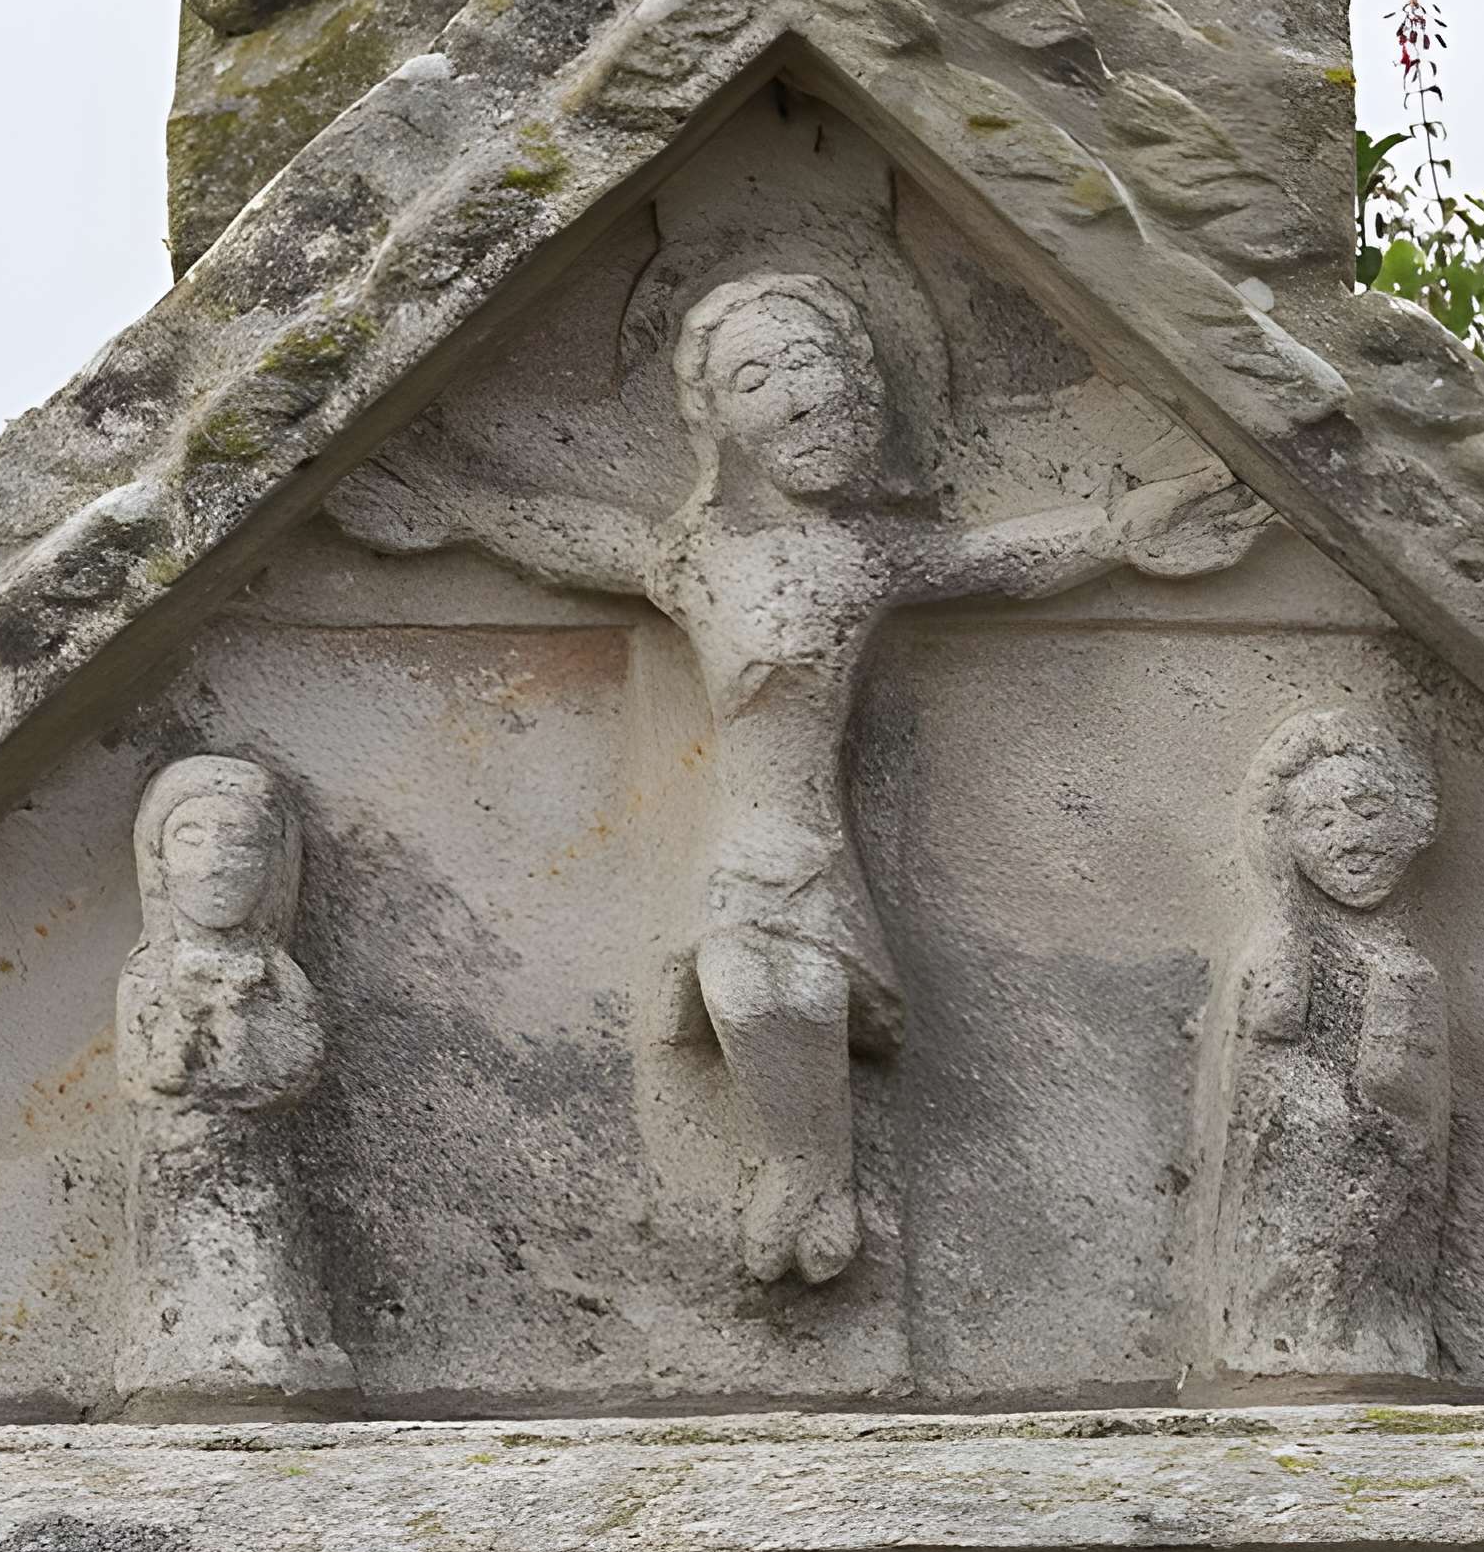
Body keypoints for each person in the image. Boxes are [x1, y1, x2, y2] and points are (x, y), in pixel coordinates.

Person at [332, 270, 1264, 1283]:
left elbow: (990, 557)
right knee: (740, 982)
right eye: (758, 373)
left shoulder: (859, 554)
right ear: (716, 419)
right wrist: (459, 508)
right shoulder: (694, 557)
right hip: (744, 838)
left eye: (816, 362)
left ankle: (814, 1176)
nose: (801, 392)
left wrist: (1123, 532)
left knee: (806, 985)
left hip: (813, 839)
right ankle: (800, 1171)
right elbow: (568, 536)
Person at [1197, 708, 1446, 1381]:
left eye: (1368, 812)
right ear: (1284, 840)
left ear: (1414, 822)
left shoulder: (1406, 966)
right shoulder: (1280, 951)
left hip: (1385, 1203)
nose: (1349, 842)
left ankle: (1374, 1335)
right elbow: (1264, 1077)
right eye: (1321, 822)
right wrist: (1344, 1112)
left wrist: (1394, 1101)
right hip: (1294, 1199)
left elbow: (1414, 1102)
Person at [114, 755, 351, 1410]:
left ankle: (276, 1353)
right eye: (191, 840)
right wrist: (192, 1017)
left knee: (264, 1265)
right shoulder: (148, 975)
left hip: (255, 1165)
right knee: (176, 1273)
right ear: (158, 861)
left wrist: (240, 1022)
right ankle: (171, 1357)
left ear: (274, 868)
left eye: (242, 843)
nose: (217, 863)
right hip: (175, 1166)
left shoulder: (276, 975)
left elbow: (294, 1070)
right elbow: (150, 1077)